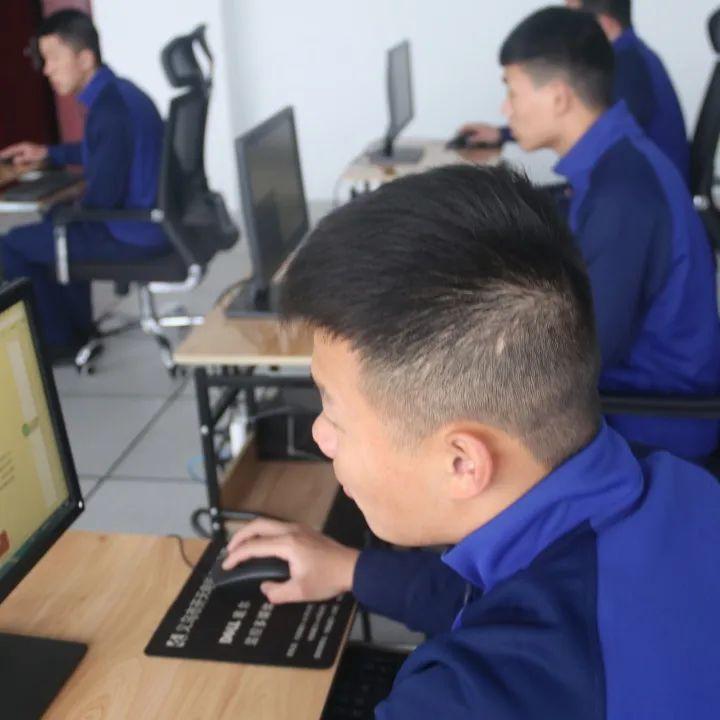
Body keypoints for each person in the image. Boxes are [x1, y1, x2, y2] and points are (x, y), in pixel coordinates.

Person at [221, 164, 720, 719]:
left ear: (462, 462)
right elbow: (515, 597)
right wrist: (348, 569)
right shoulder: (680, 487)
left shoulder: (469, 699)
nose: (319, 436)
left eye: (333, 411)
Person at [505, 7, 719, 458]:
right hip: (637, 391)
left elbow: (588, 352)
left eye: (513, 90)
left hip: (652, 417)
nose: (507, 109)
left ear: (559, 97)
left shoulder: (621, 196)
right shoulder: (616, 159)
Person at [0, 10, 168, 361]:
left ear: (85, 58)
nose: (47, 70)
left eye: (53, 59)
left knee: (11, 246)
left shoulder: (109, 111)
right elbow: (104, 150)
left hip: (132, 233)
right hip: (149, 222)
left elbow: (101, 198)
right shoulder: (118, 93)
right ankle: (77, 331)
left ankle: (60, 342)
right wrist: (50, 153)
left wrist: (63, 199)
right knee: (55, 221)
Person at [460, 0, 690, 180]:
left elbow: (596, 142)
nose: (563, 29)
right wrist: (502, 134)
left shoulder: (627, 69)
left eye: (573, 19)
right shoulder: (632, 56)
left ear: (605, 25)